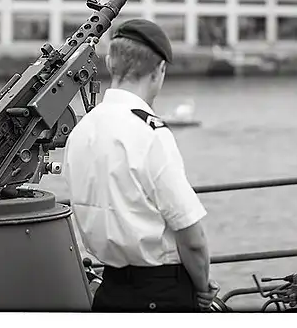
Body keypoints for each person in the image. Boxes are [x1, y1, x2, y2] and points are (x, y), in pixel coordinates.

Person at [63, 18, 218, 312]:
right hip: (161, 294)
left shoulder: (82, 130)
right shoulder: (151, 133)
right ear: (160, 70)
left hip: (110, 291)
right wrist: (202, 287)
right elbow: (192, 239)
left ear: (110, 62)